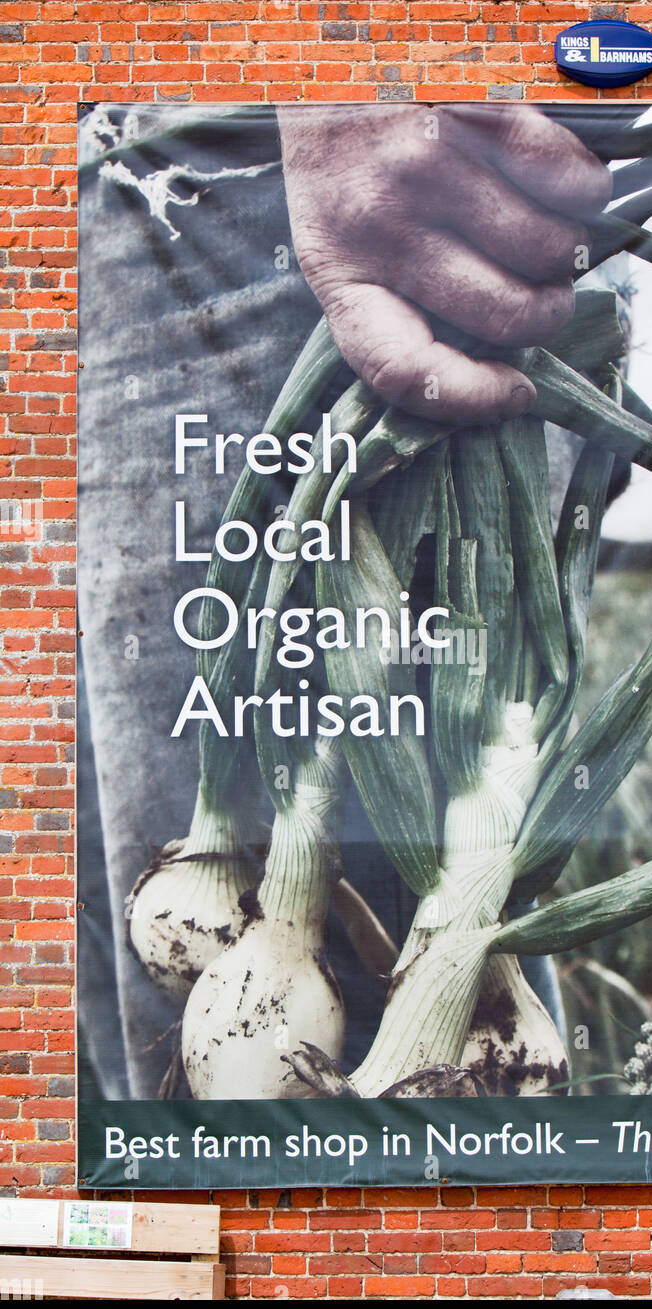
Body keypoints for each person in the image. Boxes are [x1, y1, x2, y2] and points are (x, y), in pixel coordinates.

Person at [77, 103, 610, 1100]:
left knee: (426, 814)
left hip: (322, 175)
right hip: (122, 185)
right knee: (113, 932)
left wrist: (349, 100)